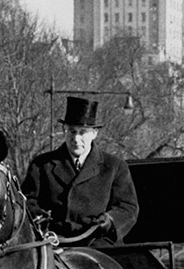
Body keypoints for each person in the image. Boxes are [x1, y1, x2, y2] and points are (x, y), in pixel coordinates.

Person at [22, 96, 140, 246]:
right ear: (64, 131)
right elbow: (27, 201)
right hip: (55, 242)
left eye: (82, 132)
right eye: (72, 131)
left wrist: (109, 221)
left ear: (94, 133)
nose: (76, 139)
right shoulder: (42, 165)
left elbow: (127, 208)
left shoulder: (114, 167)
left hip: (99, 242)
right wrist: (40, 218)